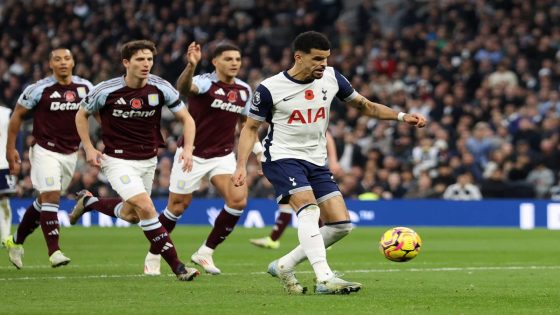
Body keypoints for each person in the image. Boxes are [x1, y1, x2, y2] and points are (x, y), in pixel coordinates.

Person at [232, 31, 426, 294]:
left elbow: (365, 106)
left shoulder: (332, 78)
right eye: (317, 59)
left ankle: (284, 265)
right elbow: (250, 128)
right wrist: (241, 165)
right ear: (298, 58)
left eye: (326, 59)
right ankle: (324, 278)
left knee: (340, 225)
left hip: (316, 159)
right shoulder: (270, 88)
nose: (323, 64)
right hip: (281, 157)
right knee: (309, 211)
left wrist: (402, 116)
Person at [73, 40, 199, 281]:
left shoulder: (161, 87)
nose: (146, 64)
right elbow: (81, 115)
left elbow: (188, 119)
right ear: (126, 63)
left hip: (148, 159)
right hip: (117, 159)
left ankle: (89, 203)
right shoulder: (105, 90)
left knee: (132, 215)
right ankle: (178, 267)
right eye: (140, 59)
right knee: (147, 207)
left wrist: (188, 149)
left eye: (150, 59)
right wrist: (88, 148)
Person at [142, 42, 260, 276]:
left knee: (238, 200)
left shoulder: (244, 90)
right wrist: (191, 66)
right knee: (177, 207)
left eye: (237, 59)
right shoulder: (206, 82)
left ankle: (205, 252)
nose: (234, 63)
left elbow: (247, 125)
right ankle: (154, 253)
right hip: (191, 153)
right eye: (228, 59)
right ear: (215, 62)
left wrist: (258, 151)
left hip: (222, 155)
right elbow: (184, 88)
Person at [3, 48, 93, 269]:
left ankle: (15, 242)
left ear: (73, 62)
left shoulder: (86, 87)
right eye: (57, 59)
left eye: (67, 59)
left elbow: (100, 113)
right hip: (44, 150)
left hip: (71, 152)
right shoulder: (38, 89)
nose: (62, 62)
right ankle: (55, 251)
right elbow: (17, 116)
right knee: (51, 196)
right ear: (50, 64)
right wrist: (11, 148)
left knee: (44, 201)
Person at [249, 131, 342, 249]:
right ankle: (274, 239)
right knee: (291, 202)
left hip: (311, 163)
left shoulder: (306, 116)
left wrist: (333, 160)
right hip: (292, 164)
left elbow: (326, 134)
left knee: (309, 203)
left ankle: (319, 239)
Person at [0, 106, 17, 244]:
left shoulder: (7, 113)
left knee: (4, 200)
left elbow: (17, 134)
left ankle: (5, 237)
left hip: (3, 163)